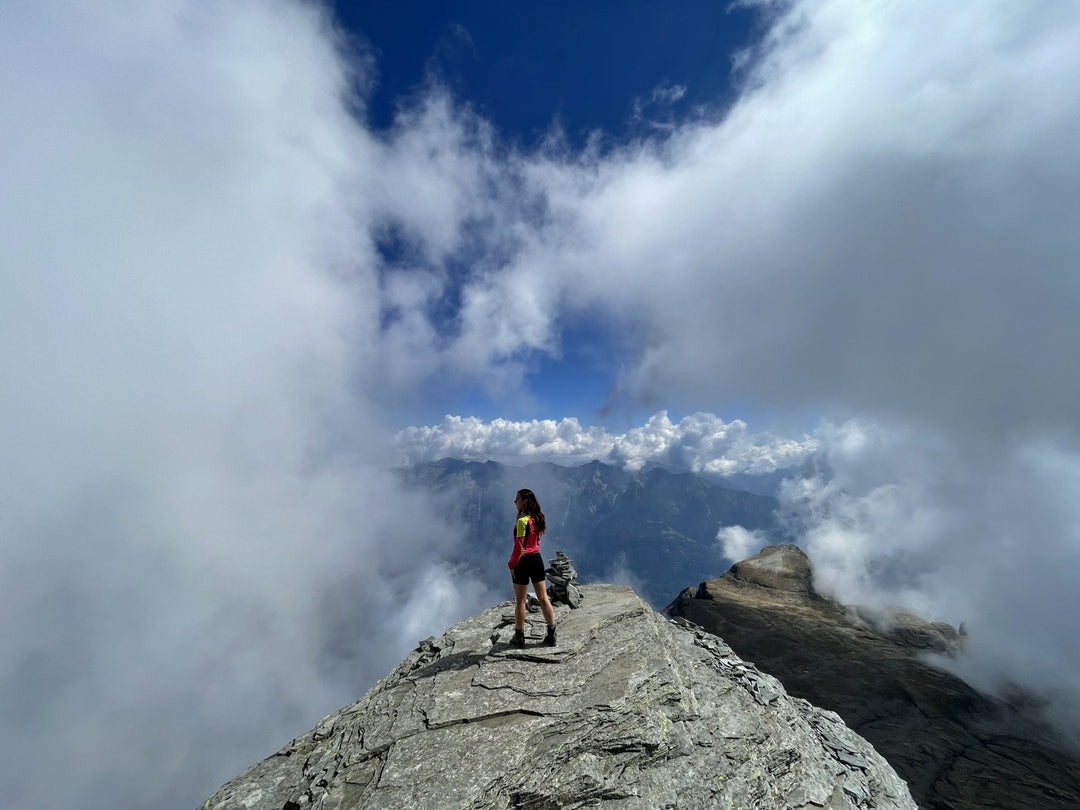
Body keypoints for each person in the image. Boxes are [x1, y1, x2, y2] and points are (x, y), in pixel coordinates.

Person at [508, 488, 556, 647]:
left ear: (525, 502)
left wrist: (511, 565)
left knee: (520, 601)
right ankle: (551, 634)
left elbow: (518, 547)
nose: (515, 502)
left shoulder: (522, 522)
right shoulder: (538, 518)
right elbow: (537, 542)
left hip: (522, 561)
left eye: (518, 499)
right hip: (537, 559)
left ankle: (519, 637)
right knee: (543, 598)